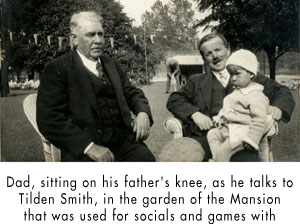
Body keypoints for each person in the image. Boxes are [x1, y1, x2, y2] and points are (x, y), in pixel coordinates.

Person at [37, 11, 155, 162]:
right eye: (91, 35)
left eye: (101, 34)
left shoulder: (111, 64)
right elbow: (49, 119)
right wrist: (88, 147)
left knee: (147, 161)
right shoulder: (58, 69)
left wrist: (142, 113)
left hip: (124, 143)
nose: (98, 40)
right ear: (74, 39)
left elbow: (132, 93)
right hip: (85, 152)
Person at [167, 33, 295, 162]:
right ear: (204, 59)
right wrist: (195, 114)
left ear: (228, 49)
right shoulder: (196, 81)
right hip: (205, 139)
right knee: (178, 158)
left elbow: (282, 91)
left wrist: (278, 107)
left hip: (241, 139)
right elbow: (174, 99)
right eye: (208, 54)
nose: (215, 56)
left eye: (218, 50)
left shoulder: (249, 75)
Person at [207, 49, 274, 162]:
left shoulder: (256, 95)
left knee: (222, 152)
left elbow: (259, 120)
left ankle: (220, 162)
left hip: (242, 131)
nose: (233, 78)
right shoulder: (238, 91)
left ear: (251, 74)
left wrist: (251, 139)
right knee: (212, 135)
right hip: (229, 128)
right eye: (231, 74)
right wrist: (219, 118)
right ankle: (216, 159)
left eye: (237, 74)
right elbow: (228, 108)